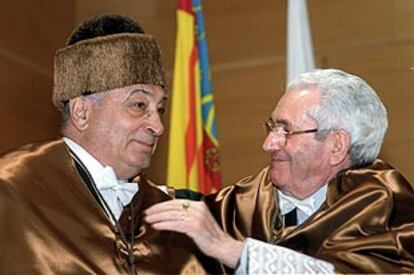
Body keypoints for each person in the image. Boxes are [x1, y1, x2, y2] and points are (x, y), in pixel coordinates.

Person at [145, 69, 414, 274]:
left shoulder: (385, 206)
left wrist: (234, 251)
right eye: (271, 127)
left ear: (337, 145)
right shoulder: (251, 200)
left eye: (285, 130)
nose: (268, 143)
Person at [0, 14, 208, 274]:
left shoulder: (173, 216)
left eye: (160, 109)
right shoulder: (11, 191)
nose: (158, 126)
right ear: (81, 112)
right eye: (139, 105)